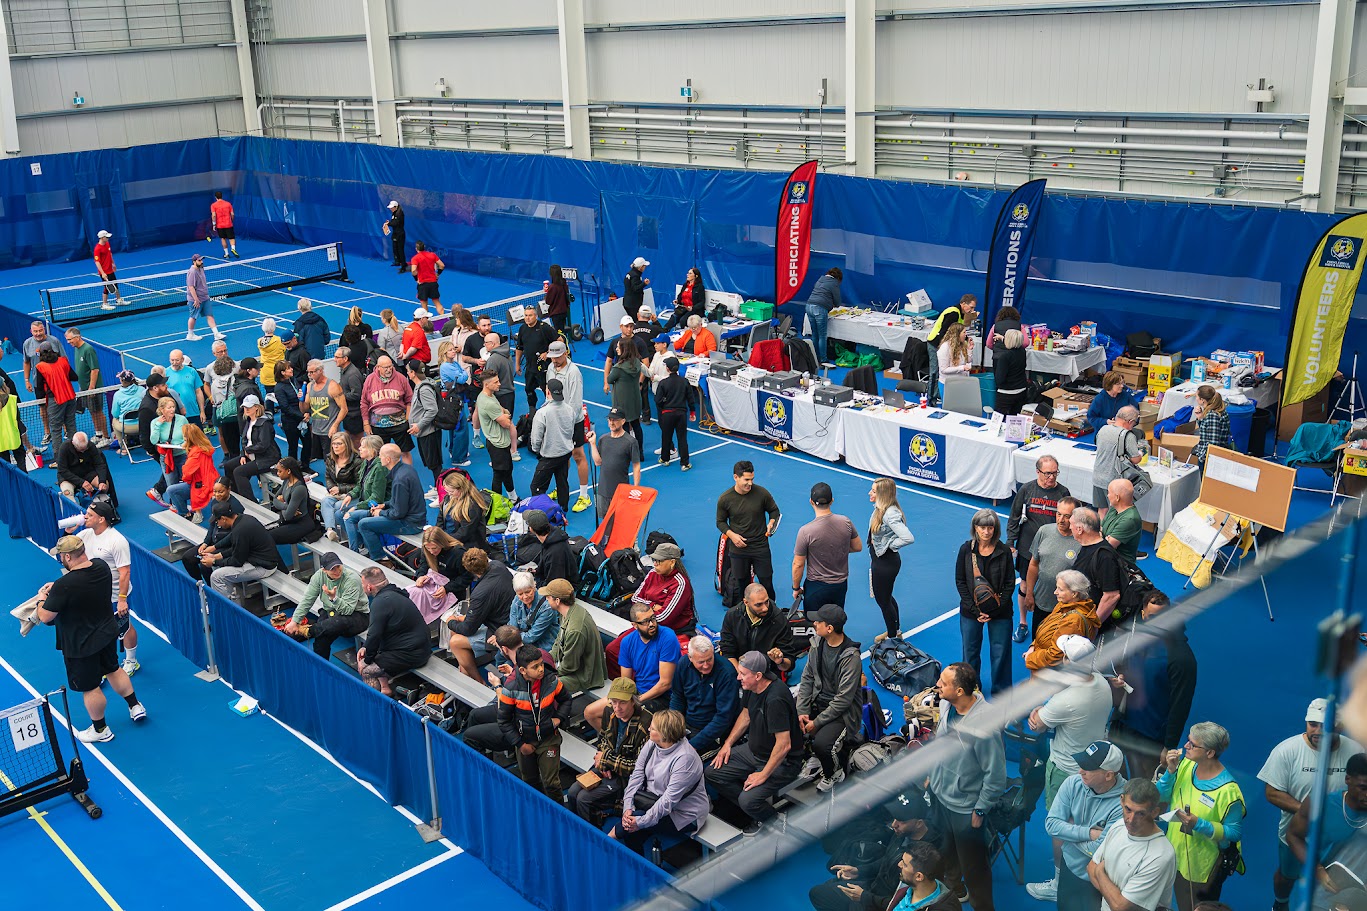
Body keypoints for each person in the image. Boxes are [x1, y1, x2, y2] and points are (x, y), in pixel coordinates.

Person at [1026, 636, 1116, 901]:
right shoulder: (1101, 682)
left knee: (1061, 827)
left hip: (1065, 770)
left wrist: (1040, 708)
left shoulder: (1065, 700)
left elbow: (1036, 724)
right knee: (1086, 825)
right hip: (1095, 766)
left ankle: (1059, 881)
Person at [33, 536, 145, 743]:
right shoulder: (101, 567)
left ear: (67, 556)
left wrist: (42, 599)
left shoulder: (64, 585)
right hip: (106, 633)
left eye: (60, 556)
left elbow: (45, 616)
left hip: (80, 644)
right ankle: (135, 706)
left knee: (91, 688)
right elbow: (77, 584)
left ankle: (100, 729)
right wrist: (56, 586)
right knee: (114, 670)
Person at [1261, 698, 1364, 911]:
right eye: (1312, 724)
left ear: (1339, 726)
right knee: (1286, 877)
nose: (1318, 731)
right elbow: (1272, 793)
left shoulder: (1355, 751)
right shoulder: (1286, 751)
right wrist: (1311, 813)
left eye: (1325, 726)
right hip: (1297, 832)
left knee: (1334, 886)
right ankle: (1280, 904)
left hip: (1340, 839)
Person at [925, 662, 1006, 909]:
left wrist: (980, 809)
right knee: (947, 853)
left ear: (960, 691)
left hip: (965, 809)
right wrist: (932, 776)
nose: (938, 684)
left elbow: (996, 775)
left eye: (944, 682)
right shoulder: (947, 704)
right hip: (941, 797)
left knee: (975, 869)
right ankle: (956, 890)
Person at [706, 649, 805, 834]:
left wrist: (763, 775)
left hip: (783, 762)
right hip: (754, 752)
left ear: (758, 675)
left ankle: (774, 821)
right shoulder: (752, 687)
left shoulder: (775, 699)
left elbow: (784, 745)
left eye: (743, 674)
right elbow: (745, 716)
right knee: (712, 772)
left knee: (748, 800)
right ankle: (755, 811)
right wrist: (727, 744)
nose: (738, 678)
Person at [810, 791, 949, 911]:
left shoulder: (926, 859)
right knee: (825, 887)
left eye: (901, 821)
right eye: (894, 818)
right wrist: (859, 870)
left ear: (919, 823)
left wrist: (865, 897)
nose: (894, 824)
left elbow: (906, 904)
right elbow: (886, 860)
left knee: (820, 895)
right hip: (874, 886)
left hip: (880, 902)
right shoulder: (904, 834)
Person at [1157, 722, 1246, 910]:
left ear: (1210, 753)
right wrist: (1170, 772)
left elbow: (1234, 833)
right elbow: (1161, 796)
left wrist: (1199, 824)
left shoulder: (1229, 791)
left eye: (1192, 744)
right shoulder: (1185, 764)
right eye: (1188, 741)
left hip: (1202, 868)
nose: (1185, 746)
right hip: (1174, 854)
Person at [1110, 591, 1198, 781]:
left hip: (1151, 738)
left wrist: (1169, 746)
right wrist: (1121, 676)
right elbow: (1126, 665)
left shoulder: (1181, 658)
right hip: (1123, 726)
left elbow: (1180, 706)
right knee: (1115, 778)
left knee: (1144, 790)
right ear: (1143, 615)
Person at [1039, 740, 1129, 910]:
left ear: (1109, 775)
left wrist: (1068, 831)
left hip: (1099, 878)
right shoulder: (1073, 783)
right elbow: (1051, 824)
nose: (1080, 771)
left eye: (1087, 768)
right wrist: (1088, 833)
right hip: (1069, 866)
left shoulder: (1124, 804)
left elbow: (1098, 851)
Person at [615, 709, 712, 855]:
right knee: (630, 823)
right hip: (653, 800)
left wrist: (639, 822)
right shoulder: (651, 744)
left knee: (628, 826)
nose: (648, 729)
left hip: (683, 814)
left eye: (653, 728)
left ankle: (605, 846)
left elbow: (668, 801)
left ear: (664, 734)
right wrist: (627, 807)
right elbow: (637, 775)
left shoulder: (685, 759)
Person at [569, 677, 653, 824]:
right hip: (608, 766)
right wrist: (603, 763)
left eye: (622, 702)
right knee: (572, 792)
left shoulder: (646, 724)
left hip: (626, 778)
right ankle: (577, 829)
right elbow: (603, 739)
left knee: (584, 799)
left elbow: (637, 768)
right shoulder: (609, 712)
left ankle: (594, 839)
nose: (617, 707)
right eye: (614, 701)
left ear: (633, 701)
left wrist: (606, 760)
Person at [796, 604, 862, 792]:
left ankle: (834, 773)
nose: (814, 623)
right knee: (788, 720)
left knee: (822, 745)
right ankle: (813, 757)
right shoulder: (817, 644)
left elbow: (843, 700)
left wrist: (816, 722)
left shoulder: (851, 658)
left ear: (830, 628)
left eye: (818, 621)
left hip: (843, 714)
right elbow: (807, 677)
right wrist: (802, 710)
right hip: (819, 703)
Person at [1287, 753, 1367, 905]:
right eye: (1363, 787)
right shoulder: (1319, 805)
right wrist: (1317, 869)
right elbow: (1293, 835)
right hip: (1323, 893)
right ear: (1347, 779)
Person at [1088, 779, 1177, 911]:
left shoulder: (1161, 855)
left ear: (1154, 812)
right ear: (1121, 800)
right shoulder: (1119, 825)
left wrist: (1100, 872)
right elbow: (1090, 868)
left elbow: (1120, 907)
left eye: (1140, 813)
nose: (1130, 819)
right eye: (1128, 809)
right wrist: (1114, 896)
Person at [71, 499, 138, 677]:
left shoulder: (117, 541)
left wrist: (122, 599)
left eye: (90, 515)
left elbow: (125, 572)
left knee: (123, 628)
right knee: (97, 629)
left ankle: (131, 660)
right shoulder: (85, 534)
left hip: (116, 595)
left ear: (101, 519)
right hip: (94, 594)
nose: (85, 517)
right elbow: (66, 552)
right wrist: (68, 532)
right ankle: (104, 664)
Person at [587, 603, 680, 728]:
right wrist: (623, 699)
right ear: (634, 625)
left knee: (627, 721)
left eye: (653, 618)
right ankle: (612, 744)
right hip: (637, 692)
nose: (652, 624)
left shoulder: (667, 637)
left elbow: (665, 683)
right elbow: (626, 681)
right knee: (590, 713)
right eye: (645, 622)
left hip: (662, 696)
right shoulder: (627, 642)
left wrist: (636, 701)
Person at [497, 645, 570, 801]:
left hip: (549, 738)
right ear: (523, 670)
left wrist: (559, 719)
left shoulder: (552, 681)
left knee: (551, 783)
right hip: (525, 741)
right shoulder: (511, 689)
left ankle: (559, 813)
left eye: (541, 664)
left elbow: (566, 700)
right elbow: (503, 721)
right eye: (535, 667)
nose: (541, 669)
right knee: (530, 782)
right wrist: (520, 744)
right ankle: (538, 810)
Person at [954, 508, 1015, 695]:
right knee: (970, 653)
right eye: (982, 527)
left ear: (995, 529)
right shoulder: (965, 549)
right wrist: (974, 610)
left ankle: (1001, 692)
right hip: (971, 612)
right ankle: (972, 690)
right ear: (975, 528)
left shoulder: (1004, 551)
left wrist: (994, 611)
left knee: (1001, 654)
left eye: (990, 527)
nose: (986, 532)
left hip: (1000, 612)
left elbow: (1009, 584)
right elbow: (961, 581)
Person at [1008, 454, 1072, 622]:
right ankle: (1022, 622)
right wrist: (1010, 542)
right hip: (1026, 547)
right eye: (1047, 474)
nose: (1051, 477)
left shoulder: (1063, 492)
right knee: (1024, 584)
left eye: (1055, 473)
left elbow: (1069, 519)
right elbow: (1014, 516)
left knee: (1054, 585)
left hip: (1052, 549)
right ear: (1038, 472)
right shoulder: (1026, 490)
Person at [356, 567, 431, 696]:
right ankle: (385, 689)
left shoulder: (380, 602)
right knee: (375, 650)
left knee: (367, 670)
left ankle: (376, 701)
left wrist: (366, 661)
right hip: (420, 646)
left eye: (362, 584)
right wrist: (367, 647)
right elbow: (376, 635)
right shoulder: (396, 593)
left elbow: (374, 634)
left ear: (369, 587)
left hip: (413, 654)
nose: (362, 586)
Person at [716, 460, 782, 605]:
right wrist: (732, 535)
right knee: (741, 583)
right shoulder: (725, 499)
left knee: (766, 580)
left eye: (752, 479)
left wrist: (771, 522)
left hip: (760, 546)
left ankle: (771, 610)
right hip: (738, 548)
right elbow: (720, 522)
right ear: (736, 477)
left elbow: (774, 511)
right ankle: (745, 613)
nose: (750, 483)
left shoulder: (762, 493)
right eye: (746, 480)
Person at [444, 547, 514, 679]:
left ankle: (478, 680)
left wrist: (450, 622)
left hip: (500, 630)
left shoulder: (480, 593)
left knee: (455, 641)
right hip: (505, 617)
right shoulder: (499, 566)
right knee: (458, 625)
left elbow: (468, 629)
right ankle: (464, 670)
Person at [284, 551, 369, 659]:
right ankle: (320, 669)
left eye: (338, 566)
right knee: (321, 640)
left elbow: (348, 610)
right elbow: (307, 600)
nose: (337, 571)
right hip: (332, 612)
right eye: (332, 569)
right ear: (324, 570)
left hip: (358, 615)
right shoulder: (318, 576)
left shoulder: (352, 579)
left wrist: (334, 598)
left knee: (332, 624)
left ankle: (308, 631)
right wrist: (294, 621)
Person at [793, 481, 863, 611]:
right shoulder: (845, 522)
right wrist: (836, 549)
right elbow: (857, 547)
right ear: (832, 501)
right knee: (836, 623)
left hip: (816, 587)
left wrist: (796, 588)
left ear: (811, 502)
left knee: (815, 625)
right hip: (840, 586)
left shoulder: (805, 531)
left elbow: (798, 564)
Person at [355, 443, 426, 562]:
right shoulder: (407, 469)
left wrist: (380, 513)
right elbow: (400, 501)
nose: (379, 458)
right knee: (364, 518)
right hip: (415, 518)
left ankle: (380, 559)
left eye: (381, 455)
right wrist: (384, 505)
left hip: (410, 524)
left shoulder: (399, 480)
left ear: (388, 459)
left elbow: (398, 513)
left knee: (364, 524)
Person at [197, 501, 280, 601]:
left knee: (216, 577)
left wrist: (214, 561)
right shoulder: (243, 519)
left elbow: (237, 561)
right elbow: (233, 544)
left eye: (217, 521)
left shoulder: (240, 530)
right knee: (218, 566)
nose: (217, 524)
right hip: (257, 559)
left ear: (223, 518)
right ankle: (232, 598)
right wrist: (215, 555)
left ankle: (228, 609)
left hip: (264, 567)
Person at [669, 636, 738, 755]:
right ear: (690, 657)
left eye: (709, 659)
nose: (706, 665)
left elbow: (723, 717)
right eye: (701, 662)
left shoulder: (726, 673)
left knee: (681, 759)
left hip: (712, 731)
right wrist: (672, 724)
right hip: (686, 723)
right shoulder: (683, 664)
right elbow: (677, 697)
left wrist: (693, 745)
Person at [1024, 495, 1082, 636]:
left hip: (1067, 608)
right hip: (1042, 601)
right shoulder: (1044, 531)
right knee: (1037, 640)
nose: (1061, 520)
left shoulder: (1081, 541)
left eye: (1067, 516)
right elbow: (1033, 564)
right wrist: (1029, 593)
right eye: (1058, 514)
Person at [544, 340, 591, 512]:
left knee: (578, 455)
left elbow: (575, 403)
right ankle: (561, 487)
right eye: (552, 357)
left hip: (573, 421)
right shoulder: (550, 368)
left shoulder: (574, 373)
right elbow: (548, 393)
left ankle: (584, 496)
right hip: (556, 419)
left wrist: (565, 422)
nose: (554, 360)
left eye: (557, 357)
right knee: (561, 457)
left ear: (565, 354)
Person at [868, 477, 916, 642]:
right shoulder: (882, 508)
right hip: (880, 561)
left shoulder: (890, 514)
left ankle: (892, 637)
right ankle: (895, 631)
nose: (870, 493)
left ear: (882, 494)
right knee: (886, 597)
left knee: (883, 600)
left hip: (885, 563)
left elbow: (908, 537)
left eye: (873, 491)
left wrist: (890, 545)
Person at [720, 582, 800, 679]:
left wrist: (780, 661)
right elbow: (728, 653)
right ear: (746, 602)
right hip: (739, 671)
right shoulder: (732, 616)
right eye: (759, 605)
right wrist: (743, 676)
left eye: (766, 602)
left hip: (767, 673)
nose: (765, 608)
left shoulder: (779, 620)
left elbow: (789, 663)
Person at [1025, 572, 1100, 672]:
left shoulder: (1073, 621)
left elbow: (1056, 655)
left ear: (1074, 593)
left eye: (1060, 589)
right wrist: (1033, 646)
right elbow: (1047, 628)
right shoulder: (1063, 605)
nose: (1055, 592)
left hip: (1049, 675)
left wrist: (1030, 658)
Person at [546, 578, 607, 695]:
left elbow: (569, 666)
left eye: (548, 598)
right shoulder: (570, 611)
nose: (546, 600)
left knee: (546, 686)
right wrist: (547, 661)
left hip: (585, 676)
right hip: (575, 667)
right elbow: (558, 642)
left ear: (557, 600)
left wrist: (548, 672)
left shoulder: (575, 629)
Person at [529, 378, 575, 513]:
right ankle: (563, 508)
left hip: (549, 456)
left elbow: (536, 437)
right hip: (565, 452)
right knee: (562, 481)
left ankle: (542, 513)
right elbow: (570, 430)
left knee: (536, 487)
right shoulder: (569, 409)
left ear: (547, 392)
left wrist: (536, 450)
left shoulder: (543, 412)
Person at [1071, 507, 1124, 622]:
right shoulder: (1086, 546)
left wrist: (1093, 626)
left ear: (1080, 529)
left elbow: (1112, 596)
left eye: (1072, 524)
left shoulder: (1105, 557)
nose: (1070, 528)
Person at [632, 541, 696, 634]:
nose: (655, 564)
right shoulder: (653, 573)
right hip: (647, 626)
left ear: (672, 562)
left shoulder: (680, 584)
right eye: (654, 560)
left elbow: (663, 618)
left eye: (659, 561)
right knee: (612, 647)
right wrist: (653, 605)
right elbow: (635, 598)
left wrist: (642, 616)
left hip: (670, 631)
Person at [587, 408, 641, 517]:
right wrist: (592, 444)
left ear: (623, 421)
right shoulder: (603, 439)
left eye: (615, 420)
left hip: (621, 493)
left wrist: (635, 488)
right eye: (610, 419)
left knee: (620, 522)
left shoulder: (631, 442)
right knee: (605, 523)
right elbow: (598, 462)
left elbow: (636, 466)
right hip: (603, 491)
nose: (611, 422)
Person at [925, 294, 977, 406]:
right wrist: (946, 348)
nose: (972, 310)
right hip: (936, 343)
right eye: (971, 307)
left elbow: (958, 331)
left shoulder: (960, 313)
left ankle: (938, 395)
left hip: (945, 344)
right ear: (963, 304)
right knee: (935, 372)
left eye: (973, 308)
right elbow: (946, 332)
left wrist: (966, 339)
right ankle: (931, 400)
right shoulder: (953, 313)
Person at [180, 480, 238, 577]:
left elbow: (234, 535)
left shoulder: (236, 507)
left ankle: (212, 590)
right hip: (214, 541)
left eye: (220, 492)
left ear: (229, 489)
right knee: (187, 558)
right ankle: (200, 586)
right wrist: (205, 543)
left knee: (205, 564)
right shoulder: (215, 502)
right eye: (215, 491)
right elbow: (212, 525)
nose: (217, 495)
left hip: (226, 544)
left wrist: (213, 548)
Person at [340, 435, 390, 545]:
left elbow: (377, 498)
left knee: (348, 517)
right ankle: (360, 542)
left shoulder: (380, 468)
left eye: (363, 447)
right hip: (364, 500)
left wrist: (357, 507)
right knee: (339, 512)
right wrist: (350, 494)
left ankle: (355, 551)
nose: (359, 449)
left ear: (372, 450)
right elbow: (360, 485)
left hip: (374, 506)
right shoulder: (366, 463)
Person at [360, 354, 414, 458]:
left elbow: (409, 399)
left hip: (400, 423)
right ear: (378, 367)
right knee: (379, 455)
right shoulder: (370, 380)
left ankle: (407, 474)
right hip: (378, 426)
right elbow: (364, 403)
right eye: (386, 367)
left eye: (391, 366)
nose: (389, 369)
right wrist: (366, 424)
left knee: (405, 452)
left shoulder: (401, 378)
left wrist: (408, 418)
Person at [475, 369, 517, 501]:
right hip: (497, 444)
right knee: (499, 474)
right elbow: (506, 423)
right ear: (486, 384)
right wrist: (506, 415)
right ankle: (496, 504)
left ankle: (513, 497)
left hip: (498, 442)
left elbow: (503, 411)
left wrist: (504, 413)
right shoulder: (489, 403)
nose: (499, 384)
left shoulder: (487, 396)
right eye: (496, 382)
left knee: (507, 471)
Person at [1093, 406, 1143, 513]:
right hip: (1114, 482)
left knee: (1102, 510)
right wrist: (1140, 454)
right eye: (1134, 424)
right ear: (1130, 421)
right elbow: (1135, 459)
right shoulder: (1127, 436)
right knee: (1116, 512)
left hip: (1098, 477)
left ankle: (1102, 529)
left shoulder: (1103, 429)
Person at [164, 424, 217, 521]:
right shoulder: (204, 448)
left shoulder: (195, 454)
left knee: (171, 490)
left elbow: (187, 474)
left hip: (200, 485)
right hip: (209, 481)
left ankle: (185, 514)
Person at [231, 396, 280, 500]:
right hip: (254, 455)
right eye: (245, 407)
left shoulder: (264, 423)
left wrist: (247, 451)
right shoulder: (249, 421)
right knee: (229, 466)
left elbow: (263, 445)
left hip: (266, 458)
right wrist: (243, 454)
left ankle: (251, 502)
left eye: (249, 407)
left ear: (257, 407)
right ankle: (235, 497)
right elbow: (244, 440)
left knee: (239, 472)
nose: (246, 409)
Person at [302, 359, 348, 470]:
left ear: (320, 371)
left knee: (333, 460)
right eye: (308, 372)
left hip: (330, 432)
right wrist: (301, 399)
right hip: (316, 430)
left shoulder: (333, 386)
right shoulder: (309, 386)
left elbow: (344, 409)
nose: (309, 375)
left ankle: (337, 482)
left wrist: (335, 425)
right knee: (325, 460)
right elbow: (304, 409)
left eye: (312, 372)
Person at [64, 327, 107, 443]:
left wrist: (91, 388)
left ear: (77, 337)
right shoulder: (77, 348)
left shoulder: (88, 349)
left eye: (70, 339)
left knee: (98, 412)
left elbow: (95, 370)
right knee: (92, 411)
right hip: (84, 388)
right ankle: (99, 434)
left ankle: (106, 437)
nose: (68, 342)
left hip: (93, 388)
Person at [404, 358, 441, 489]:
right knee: (432, 464)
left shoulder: (423, 389)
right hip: (425, 433)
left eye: (408, 371)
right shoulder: (421, 385)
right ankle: (438, 488)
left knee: (435, 464)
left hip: (428, 433)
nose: (407, 373)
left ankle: (441, 492)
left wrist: (419, 425)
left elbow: (432, 410)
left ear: (413, 373)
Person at [513, 304, 558, 410]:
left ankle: (552, 408)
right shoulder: (522, 328)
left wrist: (548, 352)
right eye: (525, 315)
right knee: (528, 389)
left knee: (546, 389)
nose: (527, 318)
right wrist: (517, 364)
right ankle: (532, 409)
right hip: (530, 367)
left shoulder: (544, 328)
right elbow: (519, 348)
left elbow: (559, 340)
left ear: (536, 316)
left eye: (530, 315)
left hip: (543, 367)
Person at [607, 334, 647, 454]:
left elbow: (609, 379)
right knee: (636, 425)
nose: (616, 349)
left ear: (624, 349)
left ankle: (628, 452)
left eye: (619, 347)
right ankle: (639, 451)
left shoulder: (619, 368)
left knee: (624, 428)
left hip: (622, 402)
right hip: (635, 400)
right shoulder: (636, 363)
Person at [33, 346, 78, 453]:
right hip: (71, 397)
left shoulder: (40, 367)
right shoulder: (63, 361)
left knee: (56, 429)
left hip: (56, 400)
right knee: (71, 425)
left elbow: (39, 386)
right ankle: (76, 453)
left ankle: (59, 459)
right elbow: (74, 377)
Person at [518, 509, 577, 588]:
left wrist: (535, 585)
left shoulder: (555, 553)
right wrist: (536, 572)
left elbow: (553, 585)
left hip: (562, 590)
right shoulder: (553, 535)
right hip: (554, 579)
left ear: (531, 529)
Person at [483, 332, 519, 457]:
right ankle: (514, 451)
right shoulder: (507, 354)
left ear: (492, 344)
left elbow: (488, 380)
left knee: (501, 427)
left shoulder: (493, 359)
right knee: (510, 423)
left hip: (500, 396)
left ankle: (505, 454)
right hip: (510, 393)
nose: (484, 345)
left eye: (486, 343)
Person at [147, 394, 188, 503]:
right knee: (171, 485)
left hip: (182, 455)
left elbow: (188, 436)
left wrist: (185, 443)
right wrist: (158, 425)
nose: (172, 410)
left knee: (186, 482)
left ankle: (186, 506)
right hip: (166, 458)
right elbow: (154, 440)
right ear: (162, 409)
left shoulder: (182, 419)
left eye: (173, 407)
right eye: (169, 407)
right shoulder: (155, 422)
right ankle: (175, 506)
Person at [57, 432, 117, 506]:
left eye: (85, 449)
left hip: (87, 473)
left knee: (105, 486)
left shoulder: (90, 445)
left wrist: (102, 481)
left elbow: (100, 464)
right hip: (69, 477)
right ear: (73, 443)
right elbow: (62, 470)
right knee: (67, 493)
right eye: (81, 449)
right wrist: (81, 482)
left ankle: (99, 508)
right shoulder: (64, 448)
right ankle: (76, 514)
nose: (83, 452)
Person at [506, 570, 560, 652]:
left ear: (534, 587)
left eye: (528, 592)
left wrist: (512, 637)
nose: (524, 597)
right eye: (520, 594)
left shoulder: (546, 607)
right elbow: (512, 627)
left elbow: (531, 637)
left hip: (544, 645)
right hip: (521, 641)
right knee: (501, 655)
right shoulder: (516, 600)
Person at [318, 432, 360, 538]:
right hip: (336, 493)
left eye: (339, 444)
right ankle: (331, 531)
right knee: (326, 501)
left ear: (346, 444)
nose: (335, 446)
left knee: (337, 507)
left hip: (352, 495)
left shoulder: (356, 461)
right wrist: (331, 487)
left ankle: (349, 538)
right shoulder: (330, 458)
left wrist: (340, 489)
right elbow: (327, 477)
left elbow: (360, 484)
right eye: (333, 444)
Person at [265, 457, 315, 545]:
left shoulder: (299, 489)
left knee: (268, 537)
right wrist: (287, 506)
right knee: (261, 533)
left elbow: (288, 515)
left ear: (288, 471)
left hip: (301, 524)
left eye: (280, 471)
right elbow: (275, 500)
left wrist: (283, 505)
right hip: (288, 521)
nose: (277, 474)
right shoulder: (286, 482)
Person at [437, 470, 489, 550]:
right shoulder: (448, 498)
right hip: (449, 537)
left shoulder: (472, 506)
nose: (449, 494)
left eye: (451, 491)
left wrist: (445, 541)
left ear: (461, 489)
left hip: (467, 544)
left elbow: (465, 532)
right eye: (447, 491)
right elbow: (440, 519)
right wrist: (438, 534)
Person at [655, 356, 692, 469]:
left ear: (667, 369)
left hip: (667, 414)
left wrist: (664, 404)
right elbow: (690, 398)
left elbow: (657, 400)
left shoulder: (663, 383)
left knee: (666, 437)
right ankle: (685, 463)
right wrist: (693, 412)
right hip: (681, 414)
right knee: (682, 438)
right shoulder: (684, 381)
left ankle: (665, 459)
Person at [184, 253, 223, 343]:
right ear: (194, 262)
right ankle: (190, 334)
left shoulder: (201, 268)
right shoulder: (192, 272)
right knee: (193, 316)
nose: (201, 262)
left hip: (205, 297)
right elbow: (191, 287)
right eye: (199, 260)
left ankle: (216, 334)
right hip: (195, 299)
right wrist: (196, 299)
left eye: (202, 260)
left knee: (209, 314)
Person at [806, 267, 843, 363]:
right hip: (819, 308)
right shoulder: (834, 283)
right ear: (838, 278)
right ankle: (823, 360)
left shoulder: (820, 279)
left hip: (809, 306)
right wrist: (835, 304)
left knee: (815, 334)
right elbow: (837, 301)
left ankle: (814, 357)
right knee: (822, 336)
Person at [162, 348, 204, 431]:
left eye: (177, 360)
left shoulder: (192, 371)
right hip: (176, 415)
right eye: (172, 360)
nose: (174, 363)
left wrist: (202, 411)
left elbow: (198, 392)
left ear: (182, 360)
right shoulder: (165, 373)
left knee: (198, 440)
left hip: (193, 412)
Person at [1103, 479, 1144, 563]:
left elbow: (1107, 546)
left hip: (1120, 565)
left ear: (1117, 497)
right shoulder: (1114, 508)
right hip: (1108, 559)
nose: (1107, 495)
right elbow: (1099, 528)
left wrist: (1101, 535)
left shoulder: (1130, 519)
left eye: (1109, 492)